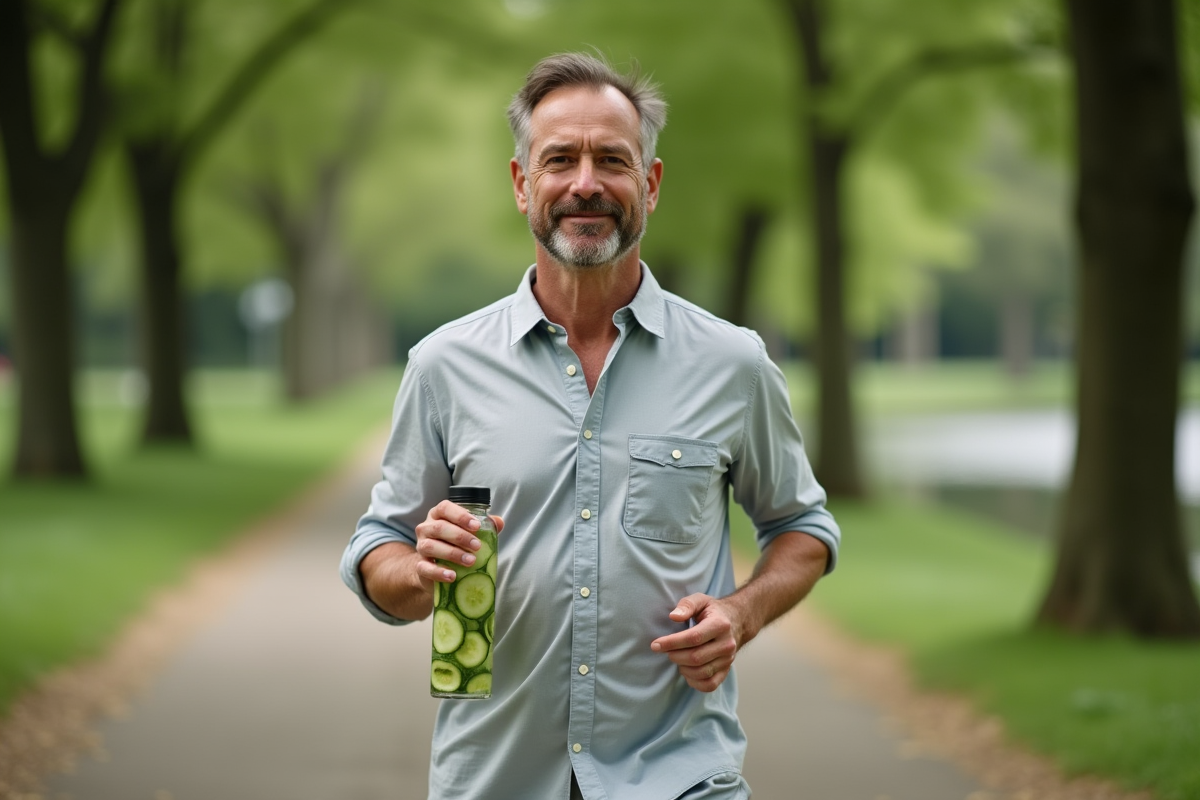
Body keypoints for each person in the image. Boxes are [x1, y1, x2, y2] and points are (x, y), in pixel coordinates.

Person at [340, 52, 840, 800]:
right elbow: (378, 547)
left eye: (612, 159)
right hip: (495, 779)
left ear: (651, 183)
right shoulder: (444, 365)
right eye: (559, 159)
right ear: (521, 185)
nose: (585, 184)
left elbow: (803, 527)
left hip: (679, 778)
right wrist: (418, 570)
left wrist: (741, 611)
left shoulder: (732, 364)